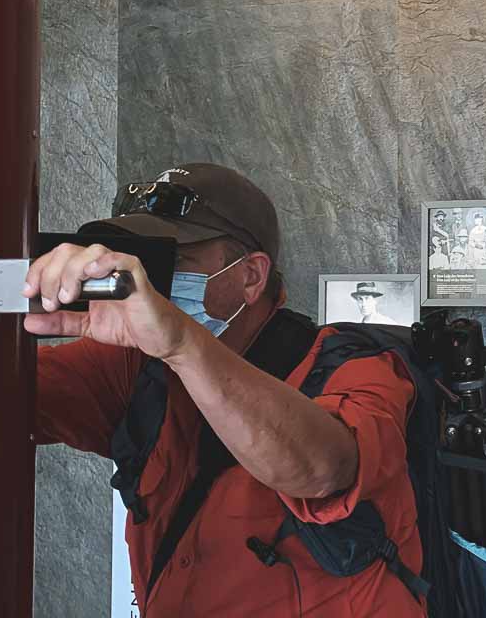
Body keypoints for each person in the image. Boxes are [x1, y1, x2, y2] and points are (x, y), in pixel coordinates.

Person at [30, 163, 424, 616]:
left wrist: (181, 344)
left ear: (251, 276)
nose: (147, 287)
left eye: (169, 262)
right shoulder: (136, 367)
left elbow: (323, 471)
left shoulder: (359, 367)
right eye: (135, 265)